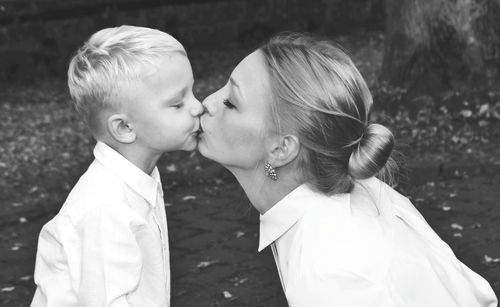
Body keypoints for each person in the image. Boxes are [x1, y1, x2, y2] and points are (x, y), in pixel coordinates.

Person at [198, 33, 498, 306]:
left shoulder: (328, 273)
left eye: (231, 102)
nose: (208, 103)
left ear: (281, 149)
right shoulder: (360, 195)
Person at [31, 25, 203, 307]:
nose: (197, 107)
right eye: (177, 104)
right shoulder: (106, 208)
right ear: (124, 127)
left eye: (192, 93)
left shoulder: (138, 177)